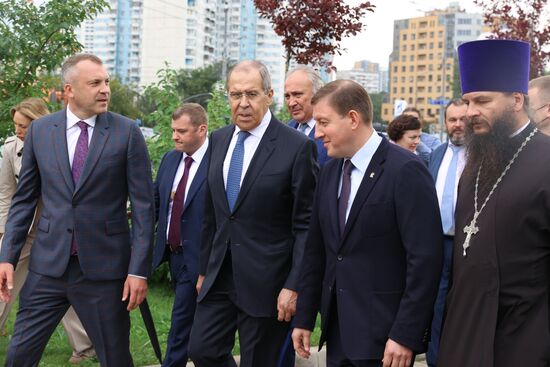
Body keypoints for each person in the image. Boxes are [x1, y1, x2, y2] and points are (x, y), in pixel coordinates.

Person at [0, 53, 155, 366]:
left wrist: (138, 270)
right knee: (19, 355)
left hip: (104, 271)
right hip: (47, 268)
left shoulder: (126, 133)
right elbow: (24, 200)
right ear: (68, 90)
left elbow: (143, 208)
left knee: (115, 358)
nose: (105, 90)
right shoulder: (41, 131)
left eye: (106, 82)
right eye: (95, 83)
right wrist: (7, 257)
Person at [292, 80, 443, 367]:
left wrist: (405, 335)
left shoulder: (406, 170)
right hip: (338, 334)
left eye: (324, 122)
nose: (318, 132)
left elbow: (425, 261)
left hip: (385, 341)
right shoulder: (329, 171)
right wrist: (305, 317)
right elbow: (316, 251)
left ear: (352, 119)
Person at [188, 60, 318, 367]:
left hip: (268, 283)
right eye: (235, 95)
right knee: (202, 350)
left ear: (269, 95)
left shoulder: (296, 147)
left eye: (252, 94)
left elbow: (306, 225)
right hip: (220, 275)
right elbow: (211, 213)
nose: (243, 104)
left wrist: (294, 284)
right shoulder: (218, 140)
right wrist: (205, 268)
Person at [438, 39, 550, 367]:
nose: (471, 112)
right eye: (468, 101)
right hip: (464, 334)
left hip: (527, 339)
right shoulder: (476, 163)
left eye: (483, 101)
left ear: (517, 100)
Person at [0, 98, 96, 363]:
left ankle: (86, 346)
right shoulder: (10, 149)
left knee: (63, 290)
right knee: (3, 281)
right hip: (21, 231)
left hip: (56, 233)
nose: (19, 131)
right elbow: (8, 195)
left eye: (24, 126)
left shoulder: (63, 141)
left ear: (39, 123)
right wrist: (4, 235)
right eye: (16, 125)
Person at [152, 103, 209, 366]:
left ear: (201, 129)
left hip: (199, 259)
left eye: (182, 131)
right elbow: (156, 203)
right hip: (173, 255)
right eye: (173, 130)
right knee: (199, 335)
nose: (175, 136)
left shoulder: (217, 161)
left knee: (180, 325)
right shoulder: (170, 159)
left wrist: (206, 267)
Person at [425, 98, 467, 367]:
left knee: (462, 304)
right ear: (445, 123)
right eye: (452, 120)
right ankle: (435, 359)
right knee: (436, 302)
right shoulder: (437, 154)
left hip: (467, 244)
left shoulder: (484, 155)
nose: (458, 125)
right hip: (437, 243)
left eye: (463, 119)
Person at [285, 65, 330, 166]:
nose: (291, 103)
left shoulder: (331, 132)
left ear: (317, 94)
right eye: (287, 96)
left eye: (297, 94)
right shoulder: (286, 130)